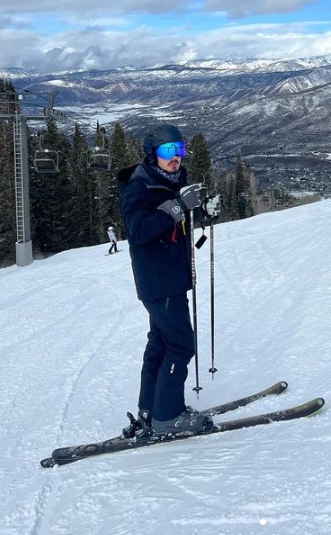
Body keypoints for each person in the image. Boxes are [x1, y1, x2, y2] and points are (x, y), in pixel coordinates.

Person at [117, 124, 221, 440]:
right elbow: (139, 230)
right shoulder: (140, 187)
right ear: (153, 155)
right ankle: (167, 415)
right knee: (181, 343)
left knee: (161, 343)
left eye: (179, 150)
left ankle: (150, 410)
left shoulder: (172, 180)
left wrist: (202, 211)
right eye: (167, 151)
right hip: (159, 280)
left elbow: (179, 222)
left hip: (170, 276)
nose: (175, 157)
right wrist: (178, 206)